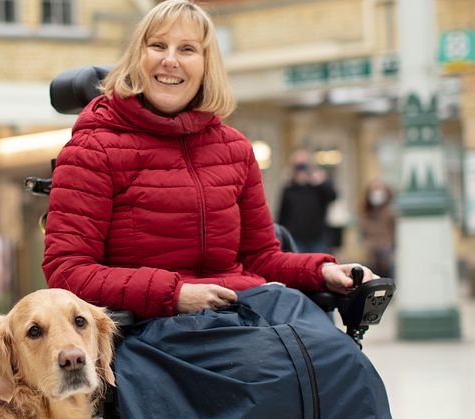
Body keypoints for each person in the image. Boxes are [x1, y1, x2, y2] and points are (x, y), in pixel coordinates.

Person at [42, 1, 389, 417]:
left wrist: (322, 271)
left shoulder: (234, 148)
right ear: (138, 56)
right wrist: (175, 294)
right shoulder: (93, 149)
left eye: (188, 49)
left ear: (207, 64)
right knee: (266, 383)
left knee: (345, 366)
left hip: (244, 307)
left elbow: (261, 256)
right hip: (155, 325)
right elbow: (66, 268)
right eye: (158, 45)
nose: (170, 60)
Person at [277, 152, 337, 253]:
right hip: (295, 237)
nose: (301, 170)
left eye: (303, 166)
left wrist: (321, 183)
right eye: (297, 166)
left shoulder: (317, 187)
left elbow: (333, 196)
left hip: (317, 237)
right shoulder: (289, 188)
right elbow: (282, 214)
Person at [360, 179, 396, 278]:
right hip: (371, 250)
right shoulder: (366, 211)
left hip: (386, 250)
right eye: (374, 189)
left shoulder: (390, 211)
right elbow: (363, 231)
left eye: (379, 189)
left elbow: (394, 231)